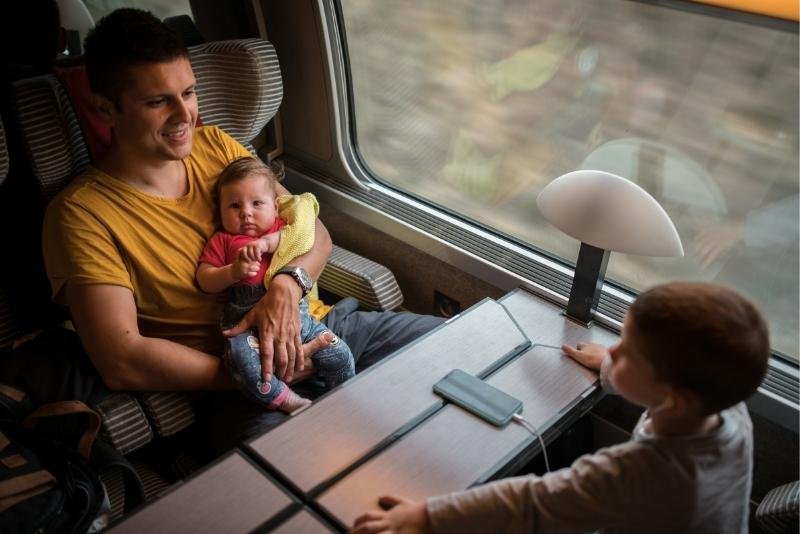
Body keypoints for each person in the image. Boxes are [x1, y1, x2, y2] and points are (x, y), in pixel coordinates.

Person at [41, 8, 443, 453]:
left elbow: (315, 232)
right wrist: (262, 372)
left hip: (326, 326)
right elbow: (122, 358)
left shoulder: (215, 145)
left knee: (456, 353)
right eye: (158, 101)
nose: (184, 115)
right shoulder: (81, 214)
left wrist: (288, 287)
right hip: (237, 378)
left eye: (189, 92)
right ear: (105, 109)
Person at [350, 282, 769, 534]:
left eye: (627, 353)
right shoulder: (727, 410)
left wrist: (429, 516)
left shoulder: (643, 474)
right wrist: (611, 364)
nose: (613, 348)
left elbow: (535, 501)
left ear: (673, 397)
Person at [196, 156, 355, 413]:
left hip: (298, 318)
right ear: (220, 212)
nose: (246, 212)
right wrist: (232, 272)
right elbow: (205, 279)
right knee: (241, 362)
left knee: (340, 353)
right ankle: (285, 398)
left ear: (275, 206)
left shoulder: (282, 230)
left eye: (257, 203)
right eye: (234, 205)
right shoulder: (224, 241)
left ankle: (342, 392)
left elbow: (305, 234)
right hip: (245, 327)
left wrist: (268, 242)